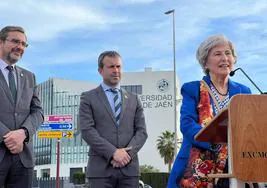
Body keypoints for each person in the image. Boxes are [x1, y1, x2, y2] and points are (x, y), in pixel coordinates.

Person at [168, 34, 252, 188]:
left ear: (234, 60)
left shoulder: (244, 91)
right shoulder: (192, 89)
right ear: (205, 63)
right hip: (196, 168)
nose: (224, 58)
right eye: (217, 54)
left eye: (228, 53)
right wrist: (214, 141)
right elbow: (187, 124)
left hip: (235, 167)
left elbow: (251, 126)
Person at [79, 50, 148, 188]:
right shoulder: (88, 98)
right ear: (100, 70)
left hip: (129, 170)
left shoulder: (134, 99)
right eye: (111, 67)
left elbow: (142, 132)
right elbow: (87, 131)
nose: (116, 70)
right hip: (100, 171)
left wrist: (125, 155)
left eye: (118, 66)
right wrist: (113, 153)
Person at [0, 26, 44, 187]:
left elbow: (38, 112)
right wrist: (9, 137)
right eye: (15, 41)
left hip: (23, 159)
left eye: (24, 44)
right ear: (1, 42)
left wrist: (23, 133)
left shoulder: (29, 77)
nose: (20, 47)